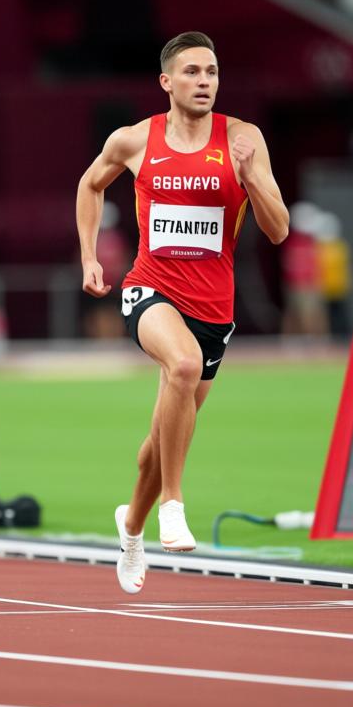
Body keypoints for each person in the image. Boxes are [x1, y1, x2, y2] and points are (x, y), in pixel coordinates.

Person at [76, 32, 289, 594]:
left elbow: (278, 228)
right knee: (184, 366)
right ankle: (174, 503)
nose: (204, 82)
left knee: (155, 444)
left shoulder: (243, 139)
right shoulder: (134, 139)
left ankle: (131, 529)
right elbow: (89, 184)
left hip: (214, 307)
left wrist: (250, 178)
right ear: (167, 82)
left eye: (212, 72)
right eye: (192, 72)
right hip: (150, 288)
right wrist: (89, 256)